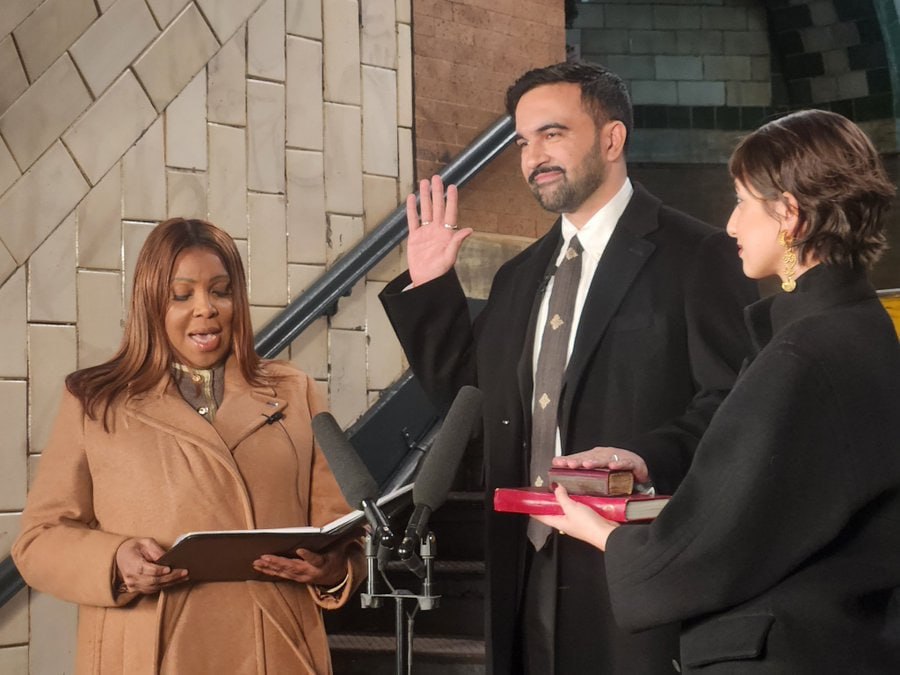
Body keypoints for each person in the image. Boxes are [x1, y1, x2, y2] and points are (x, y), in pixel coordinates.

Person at [380, 61, 758, 674]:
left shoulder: (699, 256)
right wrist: (431, 289)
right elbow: (471, 402)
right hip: (521, 567)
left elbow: (734, 405)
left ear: (612, 139)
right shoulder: (517, 278)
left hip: (632, 566)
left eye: (552, 134)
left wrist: (645, 458)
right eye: (523, 142)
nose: (533, 157)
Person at [536, 109, 900, 673]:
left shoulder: (803, 354)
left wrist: (603, 535)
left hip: (787, 648)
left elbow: (716, 537)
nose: (729, 225)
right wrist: (642, 459)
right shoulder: (861, 328)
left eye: (741, 203)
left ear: (791, 216)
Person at [12, 218, 365, 674]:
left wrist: (333, 570)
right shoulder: (95, 401)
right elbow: (38, 542)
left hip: (274, 646)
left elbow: (342, 529)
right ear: (151, 302)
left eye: (220, 291)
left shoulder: (295, 393)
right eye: (182, 295)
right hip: (150, 647)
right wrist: (114, 560)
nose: (206, 309)